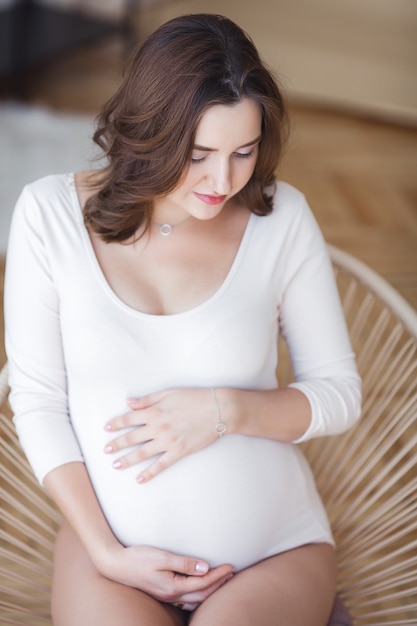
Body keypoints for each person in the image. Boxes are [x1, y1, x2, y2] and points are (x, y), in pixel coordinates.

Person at [4, 13, 361, 626]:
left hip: (272, 553)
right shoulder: (48, 216)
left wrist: (225, 410)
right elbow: (37, 400)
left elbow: (340, 395)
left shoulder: (282, 221)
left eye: (243, 152)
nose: (222, 181)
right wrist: (106, 553)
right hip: (112, 555)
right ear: (151, 132)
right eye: (197, 155)